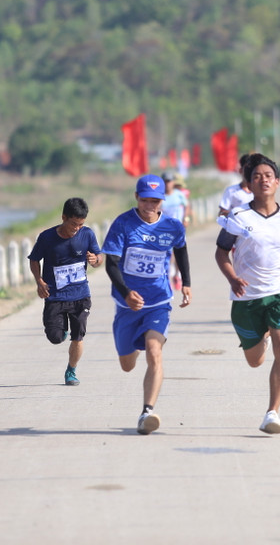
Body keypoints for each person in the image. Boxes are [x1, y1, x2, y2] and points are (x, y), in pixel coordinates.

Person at [214, 154, 280, 435]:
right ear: (249, 184)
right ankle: (263, 337)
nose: (263, 180)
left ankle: (272, 413)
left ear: (277, 182)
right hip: (247, 297)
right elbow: (221, 253)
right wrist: (232, 277)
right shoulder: (237, 217)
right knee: (254, 361)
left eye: (268, 175)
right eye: (257, 176)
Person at [102, 174, 192, 435]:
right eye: (145, 200)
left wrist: (186, 282)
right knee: (127, 364)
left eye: (155, 201)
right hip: (127, 305)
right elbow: (111, 264)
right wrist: (126, 292)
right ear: (136, 198)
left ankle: (147, 412)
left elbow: (181, 250)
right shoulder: (123, 224)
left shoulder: (172, 226)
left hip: (159, 301)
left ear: (162, 200)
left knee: (155, 351)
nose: (150, 206)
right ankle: (133, 340)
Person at [28, 197, 103, 386]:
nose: (76, 228)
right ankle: (61, 332)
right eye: (73, 223)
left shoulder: (87, 235)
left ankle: (71, 370)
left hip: (80, 295)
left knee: (78, 336)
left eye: (80, 224)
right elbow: (34, 260)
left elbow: (99, 257)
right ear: (63, 217)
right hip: (55, 297)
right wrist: (39, 281)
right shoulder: (47, 238)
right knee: (54, 337)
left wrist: (96, 260)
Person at [161, 171, 191, 291]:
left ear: (173, 182)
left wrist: (186, 218)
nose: (167, 184)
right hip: (165, 231)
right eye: (165, 182)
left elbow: (187, 206)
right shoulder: (160, 197)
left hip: (179, 229)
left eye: (169, 181)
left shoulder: (179, 195)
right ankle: (168, 276)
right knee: (169, 254)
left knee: (179, 253)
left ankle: (178, 275)